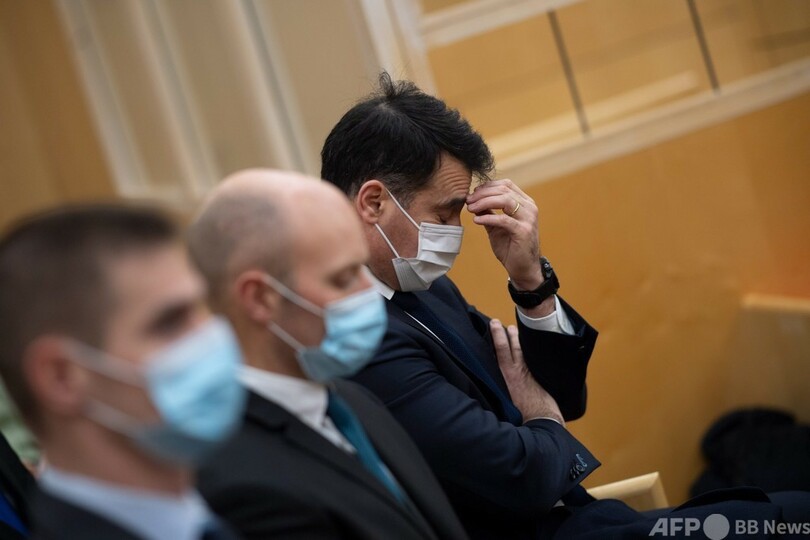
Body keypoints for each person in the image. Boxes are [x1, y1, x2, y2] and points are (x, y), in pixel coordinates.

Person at [320, 73, 810, 539]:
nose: (455, 232)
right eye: (444, 213)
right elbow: (521, 473)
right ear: (374, 202)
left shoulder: (424, 287)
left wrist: (530, 282)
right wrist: (544, 419)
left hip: (583, 516)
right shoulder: (362, 340)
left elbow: (560, 396)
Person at [187, 169, 469, 540]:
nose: (368, 292)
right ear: (260, 298)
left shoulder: (352, 400)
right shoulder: (241, 481)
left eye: (362, 268)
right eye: (343, 278)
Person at [0, 205, 246, 540]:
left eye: (202, 309)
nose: (210, 336)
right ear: (62, 377)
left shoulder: (210, 519)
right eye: (170, 323)